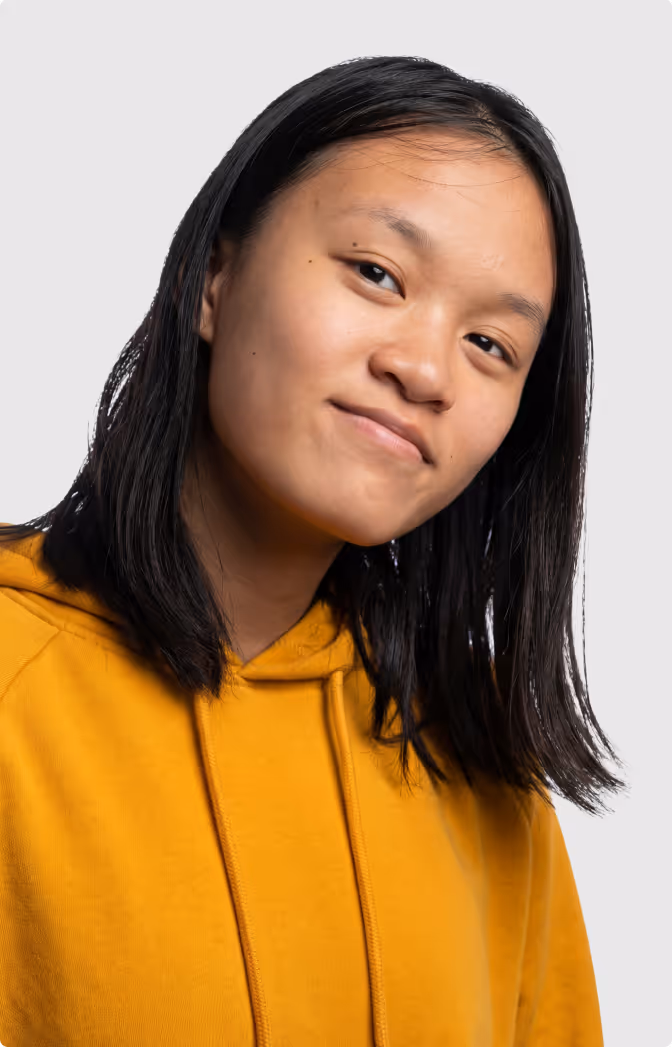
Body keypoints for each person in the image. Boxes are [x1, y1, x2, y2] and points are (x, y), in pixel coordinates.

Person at [0, 54, 625, 1046]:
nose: (424, 369)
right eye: (377, 273)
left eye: (491, 346)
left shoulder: (482, 764)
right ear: (216, 274)